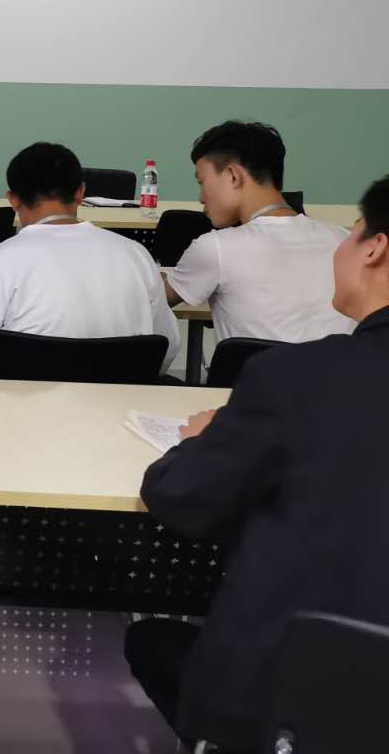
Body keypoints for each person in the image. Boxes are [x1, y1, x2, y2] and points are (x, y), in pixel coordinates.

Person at [125, 175, 389, 754]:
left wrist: (206, 437)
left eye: (352, 233)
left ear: (375, 247)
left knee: (152, 641)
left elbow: (181, 499)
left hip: (289, 699)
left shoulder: (296, 379)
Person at [0, 142, 180, 374]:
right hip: (122, 394)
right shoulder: (136, 255)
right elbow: (167, 346)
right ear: (80, 192)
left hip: (26, 395)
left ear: (13, 199)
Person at [164, 121, 354, 343]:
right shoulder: (344, 240)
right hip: (343, 366)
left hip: (255, 367)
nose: (201, 198)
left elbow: (151, 299)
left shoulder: (216, 248)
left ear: (233, 176)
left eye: (202, 182)